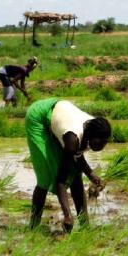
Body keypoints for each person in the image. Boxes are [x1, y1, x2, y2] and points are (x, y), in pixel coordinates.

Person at [25, 98, 111, 232]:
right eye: (101, 142)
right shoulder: (73, 138)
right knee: (46, 178)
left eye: (105, 143)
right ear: (92, 136)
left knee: (76, 173)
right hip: (39, 117)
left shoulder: (94, 128)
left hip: (59, 112)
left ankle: (85, 226)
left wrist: (91, 174)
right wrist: (67, 215)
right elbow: (61, 180)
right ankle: (33, 226)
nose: (102, 146)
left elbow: (77, 155)